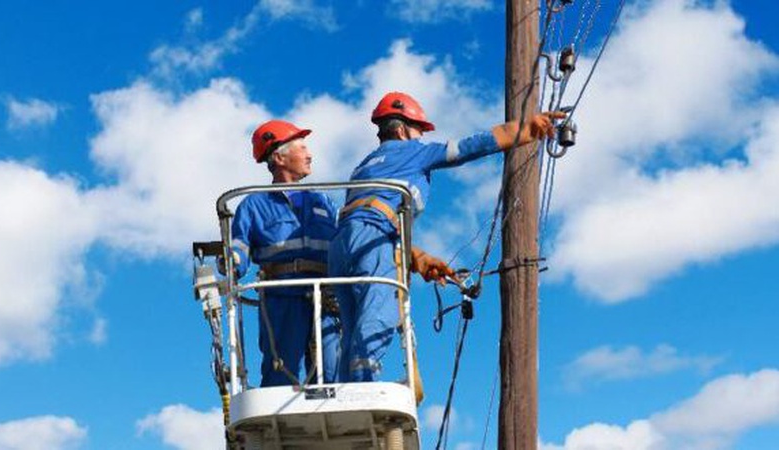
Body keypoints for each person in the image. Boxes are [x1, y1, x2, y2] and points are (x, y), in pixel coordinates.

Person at [329, 92, 563, 383]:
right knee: (380, 307)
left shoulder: (363, 167)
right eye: (418, 131)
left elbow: (366, 224)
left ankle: (349, 386)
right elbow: (467, 147)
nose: (420, 138)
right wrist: (528, 128)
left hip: (342, 246)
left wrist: (418, 259)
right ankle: (362, 385)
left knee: (352, 323)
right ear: (402, 129)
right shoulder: (412, 152)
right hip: (373, 237)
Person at [230, 119, 340, 387]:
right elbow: (237, 251)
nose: (309, 154)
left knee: (334, 370)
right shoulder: (254, 204)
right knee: (280, 370)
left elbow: (343, 244)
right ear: (279, 157)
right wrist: (230, 262)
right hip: (281, 296)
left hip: (326, 295)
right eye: (302, 148)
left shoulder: (323, 201)